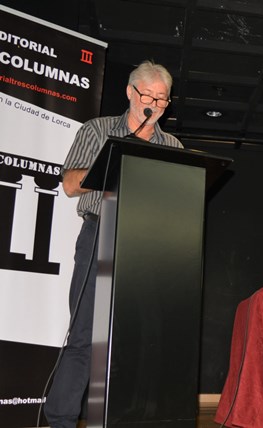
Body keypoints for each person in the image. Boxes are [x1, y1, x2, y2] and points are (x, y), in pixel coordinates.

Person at [44, 60, 183, 428]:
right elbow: (71, 184)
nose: (153, 104)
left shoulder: (172, 145)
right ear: (129, 93)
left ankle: (129, 417)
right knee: (86, 336)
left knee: (141, 336)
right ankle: (60, 420)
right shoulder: (98, 129)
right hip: (99, 236)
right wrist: (113, 162)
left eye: (162, 99)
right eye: (147, 96)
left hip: (148, 248)